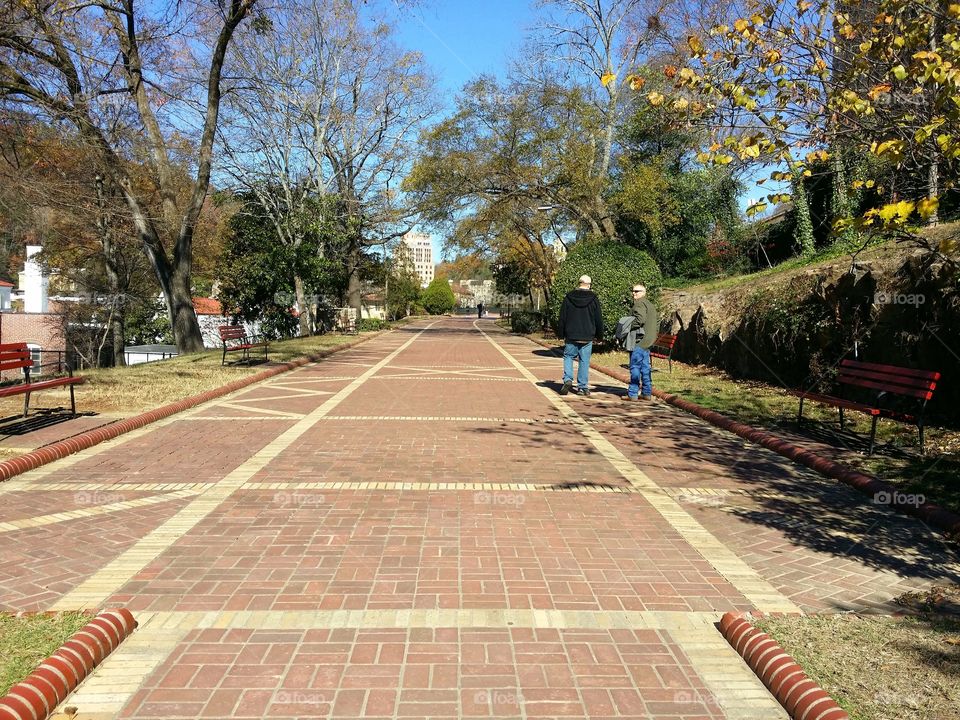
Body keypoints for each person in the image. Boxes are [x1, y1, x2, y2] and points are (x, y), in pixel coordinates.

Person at [557, 274, 603, 397]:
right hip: (587, 335)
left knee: (568, 356)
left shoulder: (569, 297)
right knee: (584, 361)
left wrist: (560, 333)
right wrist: (600, 336)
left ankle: (568, 379)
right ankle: (583, 387)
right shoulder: (594, 299)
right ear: (589, 285)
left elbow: (563, 316)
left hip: (571, 334)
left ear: (579, 283)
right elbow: (598, 318)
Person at [625, 284, 658, 401]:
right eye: (633, 291)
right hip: (648, 341)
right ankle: (646, 392)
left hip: (639, 340)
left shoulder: (639, 304)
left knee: (635, 366)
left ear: (644, 292)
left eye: (637, 291)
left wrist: (628, 325)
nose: (634, 293)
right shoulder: (650, 305)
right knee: (645, 367)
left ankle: (633, 393)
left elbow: (640, 319)